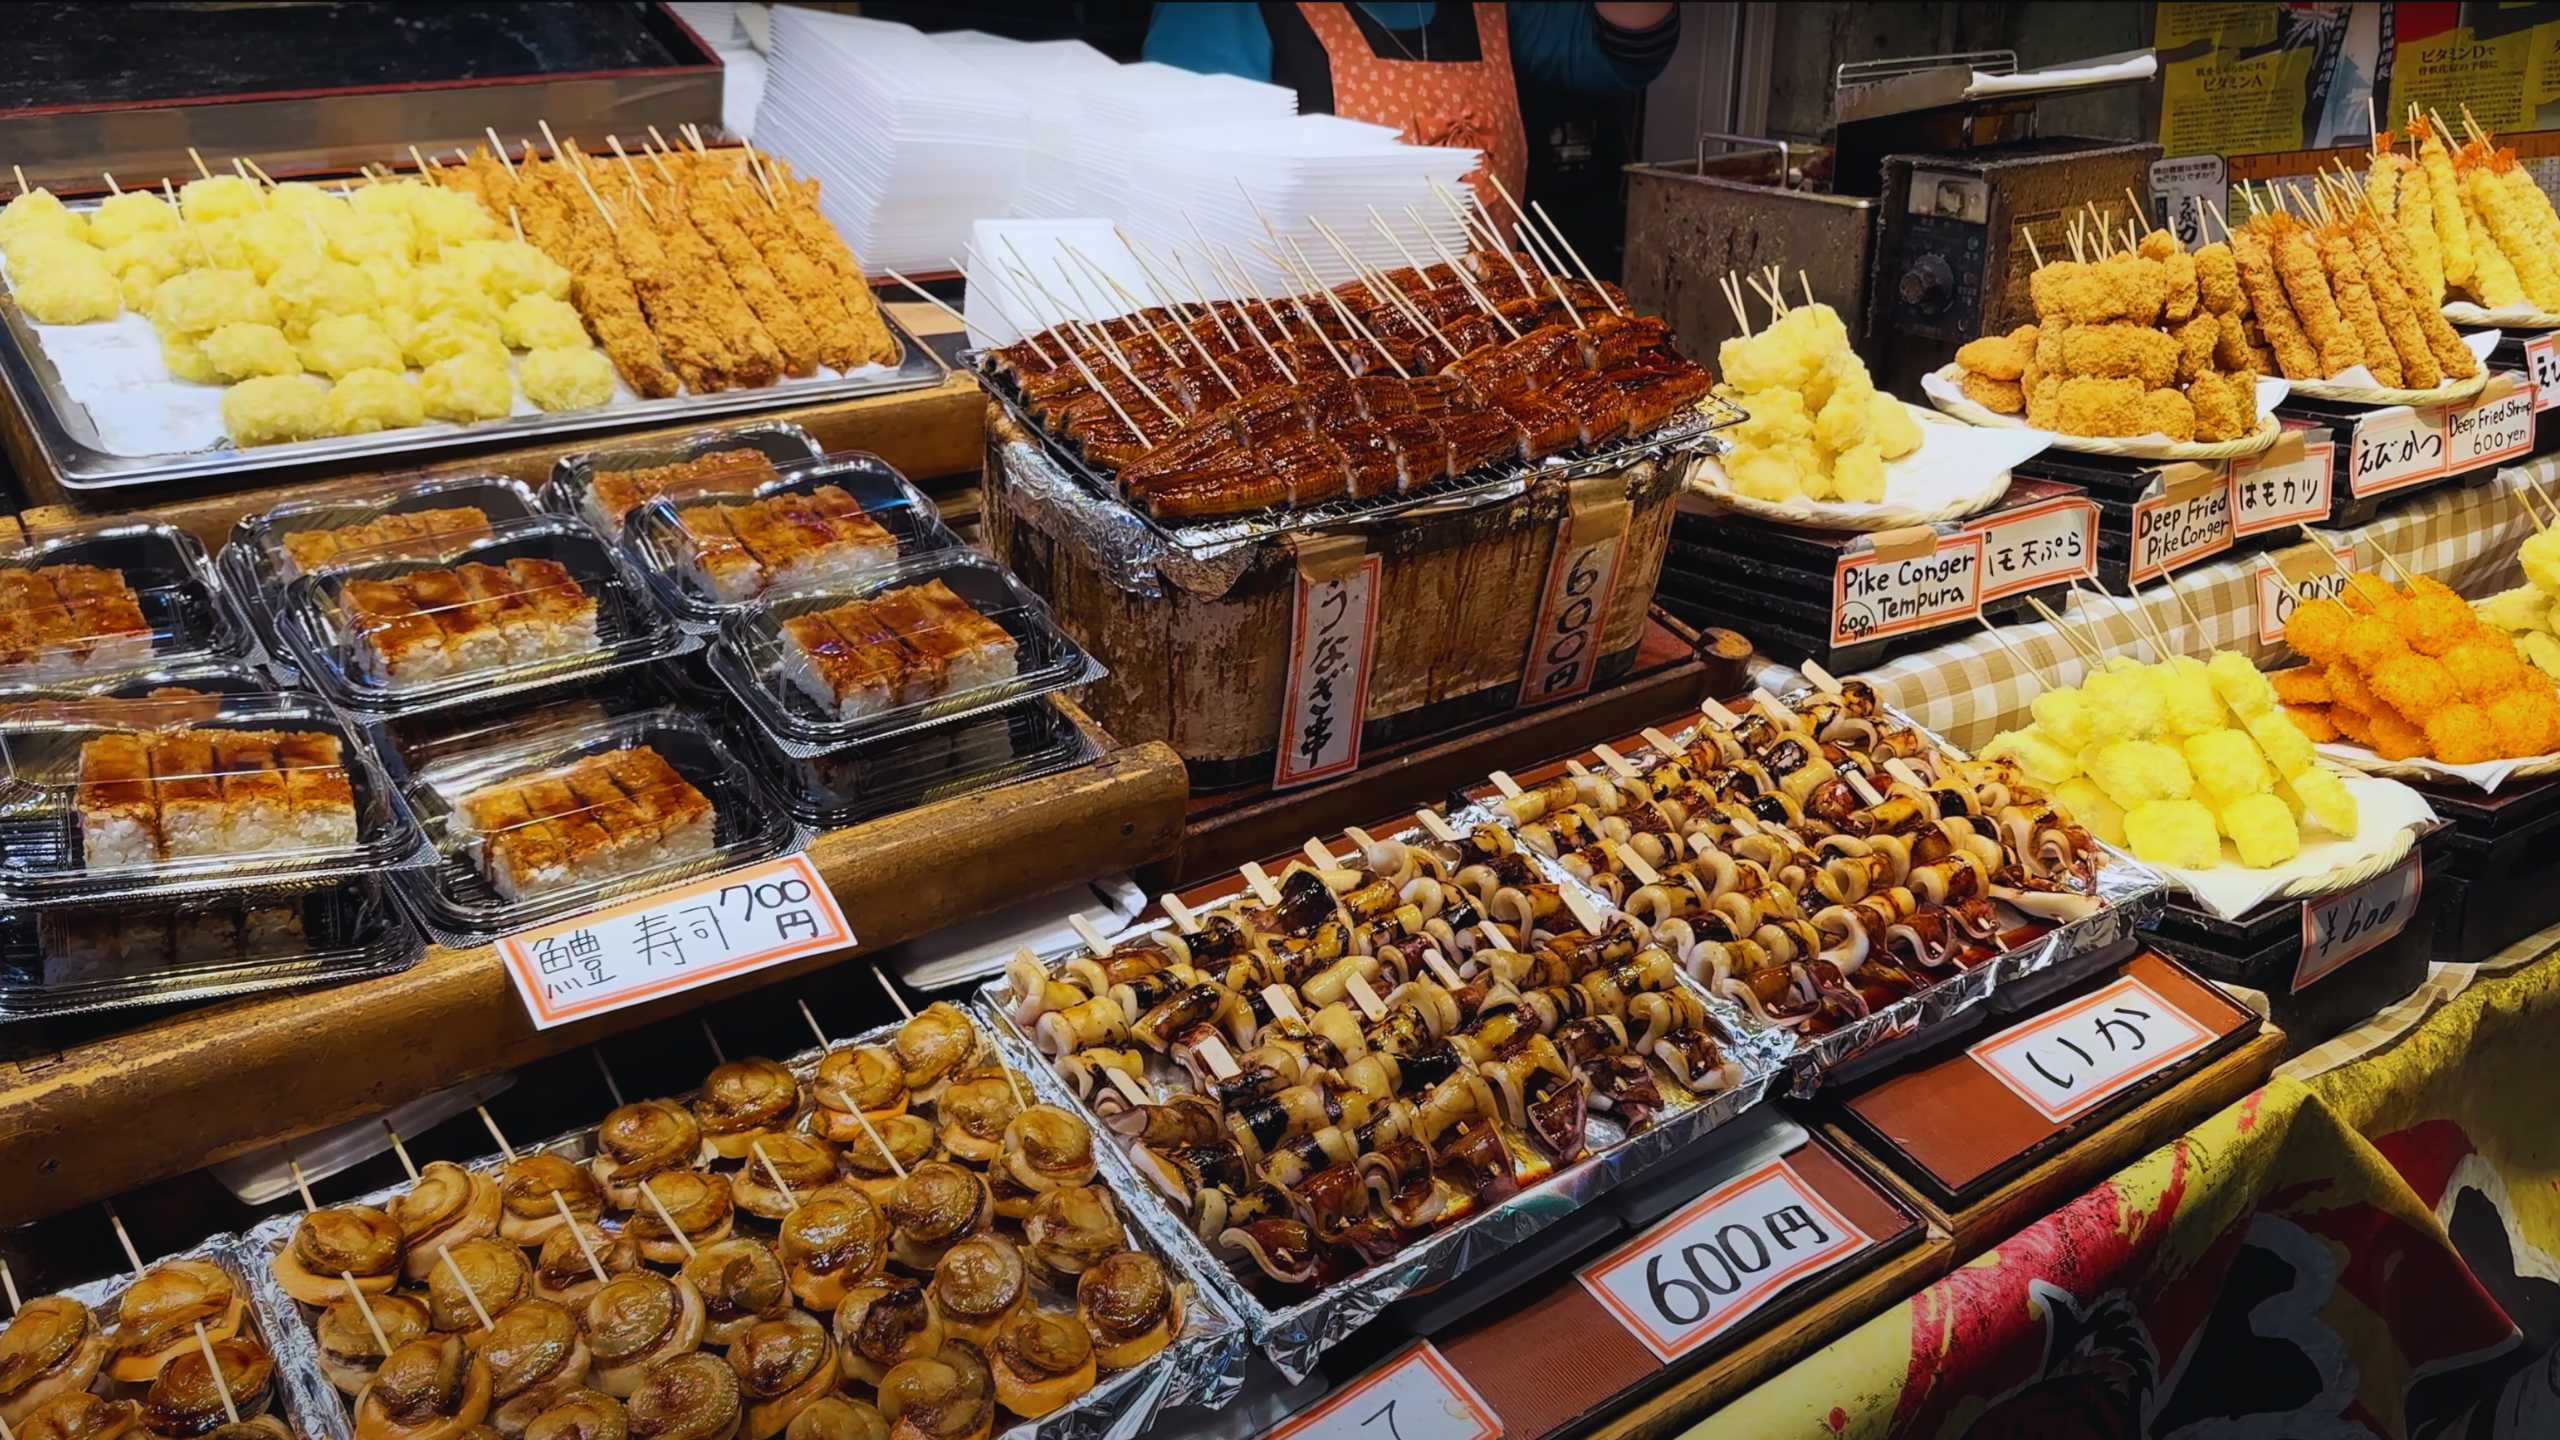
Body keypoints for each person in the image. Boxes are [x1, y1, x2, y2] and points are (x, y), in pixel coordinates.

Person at [1144, 3, 1678, 209]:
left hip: (1491, 359)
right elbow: (1187, 211)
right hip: (1313, 372)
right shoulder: (1216, 13)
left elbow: (1626, 52)